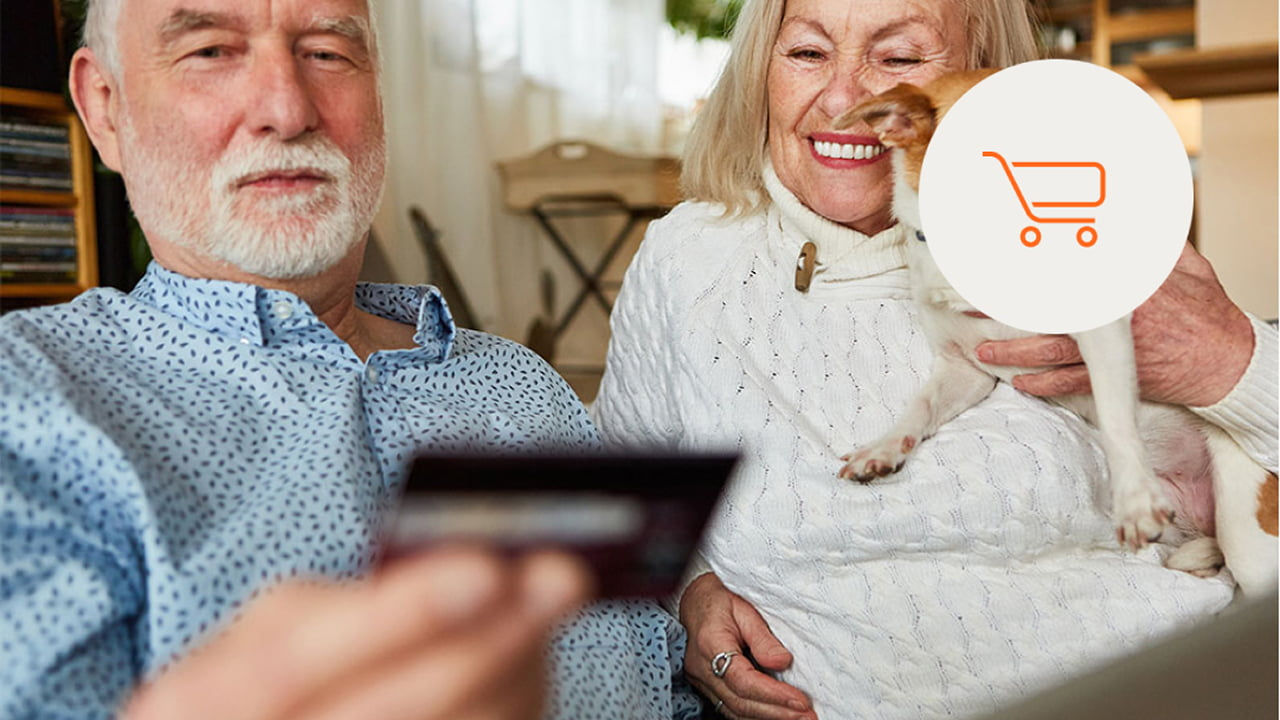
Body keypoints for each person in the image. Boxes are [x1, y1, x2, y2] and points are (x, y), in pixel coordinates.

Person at [0, 1, 699, 718]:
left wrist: (707, 637)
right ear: (105, 108)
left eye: (329, 52)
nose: (287, 108)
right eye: (211, 51)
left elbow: (656, 676)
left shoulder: (525, 385)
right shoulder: (27, 402)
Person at [593, 0, 1278, 718]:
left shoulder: (1069, 231)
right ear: (759, 69)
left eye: (899, 58)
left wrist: (1234, 362)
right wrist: (693, 594)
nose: (846, 99)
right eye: (806, 53)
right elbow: (622, 502)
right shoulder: (687, 262)